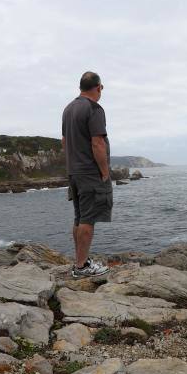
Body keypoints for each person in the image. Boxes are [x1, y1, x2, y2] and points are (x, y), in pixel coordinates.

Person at [61, 71, 113, 278]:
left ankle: (79, 262)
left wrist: (74, 163)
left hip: (74, 172)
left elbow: (64, 142)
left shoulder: (68, 108)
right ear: (98, 87)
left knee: (79, 218)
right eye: (101, 89)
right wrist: (105, 172)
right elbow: (97, 142)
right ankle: (82, 267)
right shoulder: (94, 108)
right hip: (90, 173)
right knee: (88, 219)